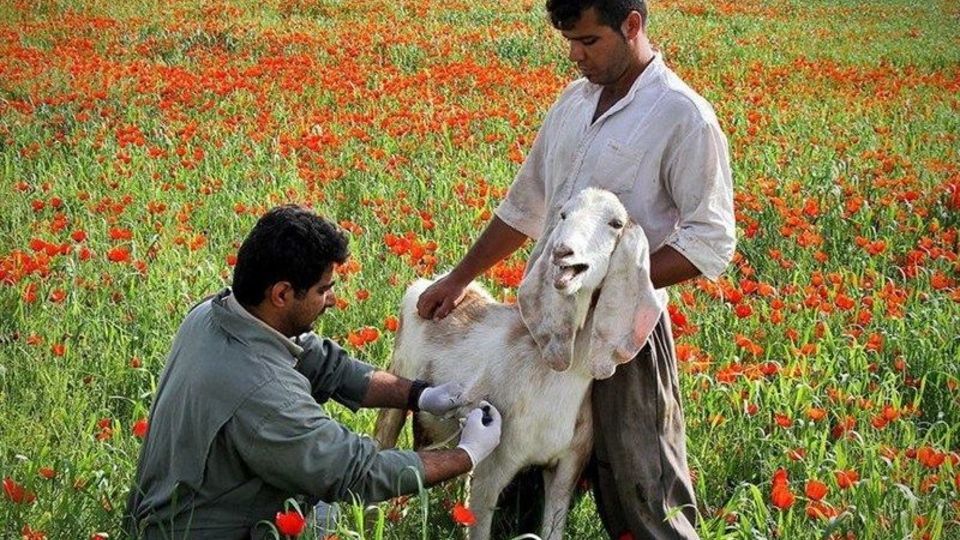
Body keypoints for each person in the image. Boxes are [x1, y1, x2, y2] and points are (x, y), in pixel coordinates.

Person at [416, 0, 735, 538]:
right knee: (511, 462)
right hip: (543, 320)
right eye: (570, 42)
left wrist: (611, 286)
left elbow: (711, 241)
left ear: (632, 25)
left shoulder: (683, 117)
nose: (576, 56)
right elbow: (525, 207)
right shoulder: (573, 103)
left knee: (640, 479)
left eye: (589, 41)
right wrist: (460, 277)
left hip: (619, 332)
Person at [124, 205, 503, 539]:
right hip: (203, 530)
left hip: (179, 509)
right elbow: (358, 473)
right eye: (323, 289)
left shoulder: (213, 314)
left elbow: (327, 365)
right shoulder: (264, 393)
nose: (333, 299)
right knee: (334, 506)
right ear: (282, 294)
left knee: (324, 510)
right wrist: (467, 454)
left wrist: (419, 394)